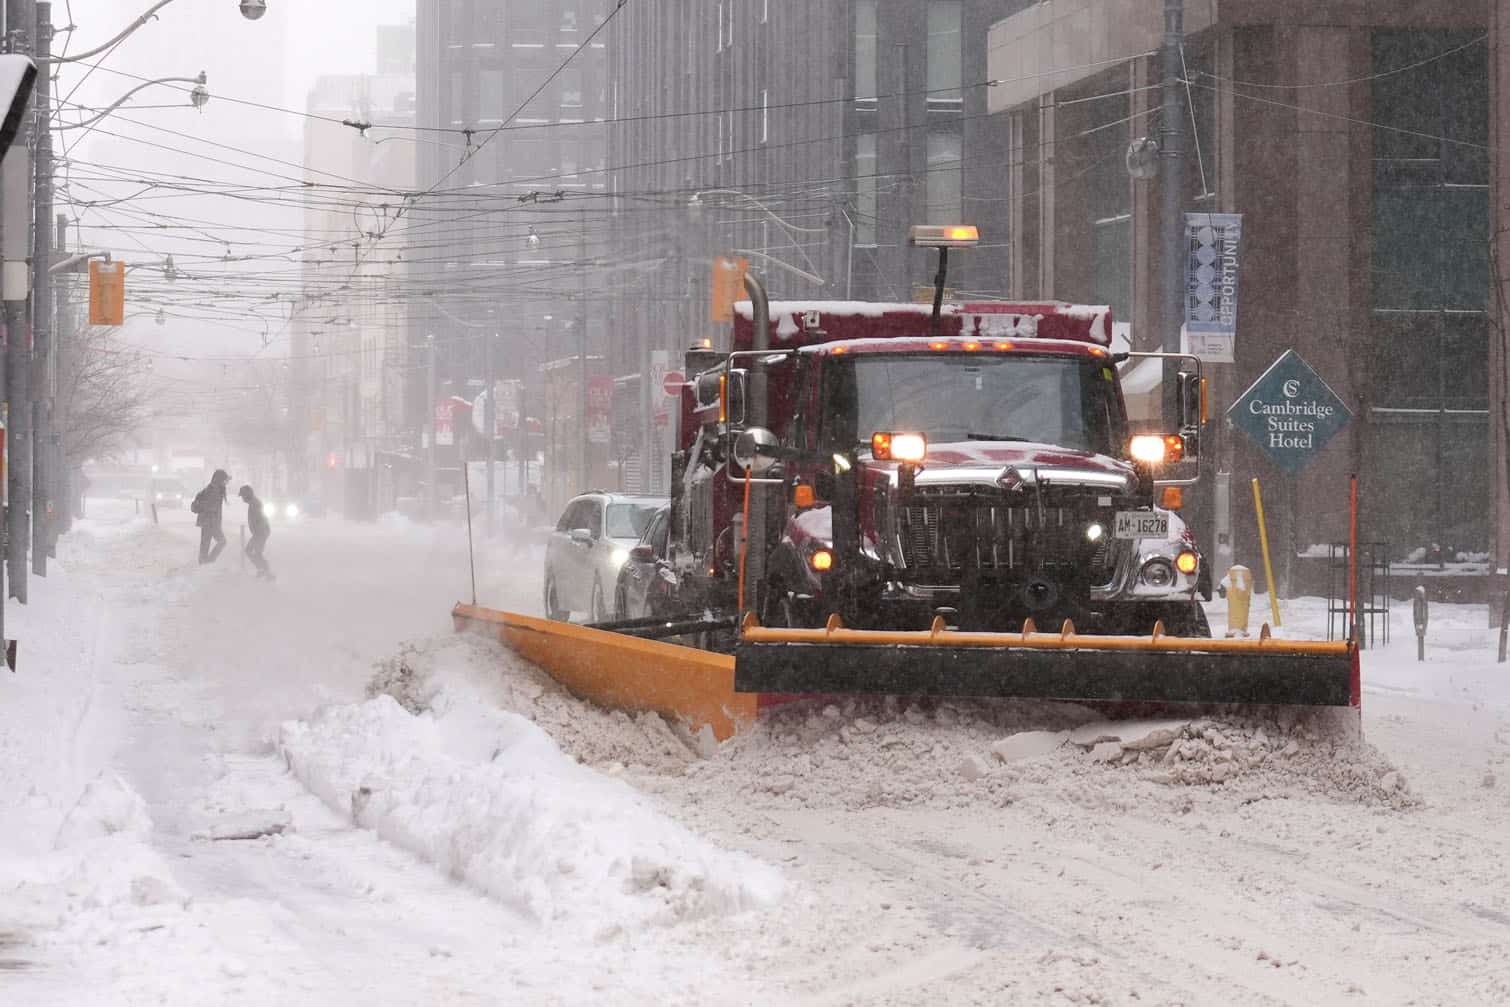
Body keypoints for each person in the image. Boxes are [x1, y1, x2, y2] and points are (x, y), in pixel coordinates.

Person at [191, 469, 231, 564]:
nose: (225, 483)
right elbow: (211, 507)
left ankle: (205, 562)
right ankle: (207, 562)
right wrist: (214, 522)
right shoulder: (213, 491)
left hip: (208, 522)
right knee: (221, 541)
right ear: (219, 480)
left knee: (206, 544)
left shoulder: (213, 489)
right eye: (224, 480)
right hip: (210, 522)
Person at [238, 484, 274, 580]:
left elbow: (262, 518)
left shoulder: (255, 503)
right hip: (259, 532)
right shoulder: (253, 503)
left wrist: (259, 534)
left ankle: (268, 572)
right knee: (252, 551)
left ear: (247, 494)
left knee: (255, 552)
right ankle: (262, 570)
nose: (242, 499)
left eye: (243, 496)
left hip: (261, 532)